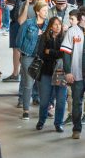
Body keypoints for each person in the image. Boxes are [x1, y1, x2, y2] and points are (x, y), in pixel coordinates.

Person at [17, 0, 49, 120]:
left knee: (43, 84)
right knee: (28, 83)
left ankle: (45, 108)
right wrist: (23, 54)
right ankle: (26, 110)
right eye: (44, 10)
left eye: (47, 10)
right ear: (37, 11)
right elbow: (19, 40)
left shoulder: (48, 24)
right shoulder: (28, 23)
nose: (46, 13)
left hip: (43, 58)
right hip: (28, 56)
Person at [36, 16, 66, 132]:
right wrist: (56, 54)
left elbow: (64, 54)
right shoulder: (44, 37)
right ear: (51, 26)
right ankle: (41, 121)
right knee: (44, 100)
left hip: (60, 72)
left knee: (61, 100)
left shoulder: (64, 37)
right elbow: (41, 54)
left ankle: (58, 123)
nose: (58, 26)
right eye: (55, 24)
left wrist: (50, 52)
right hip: (46, 72)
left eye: (59, 24)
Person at [61, 9, 85, 138]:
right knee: (76, 103)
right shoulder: (72, 31)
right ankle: (77, 129)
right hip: (77, 74)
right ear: (82, 17)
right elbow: (66, 53)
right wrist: (68, 71)